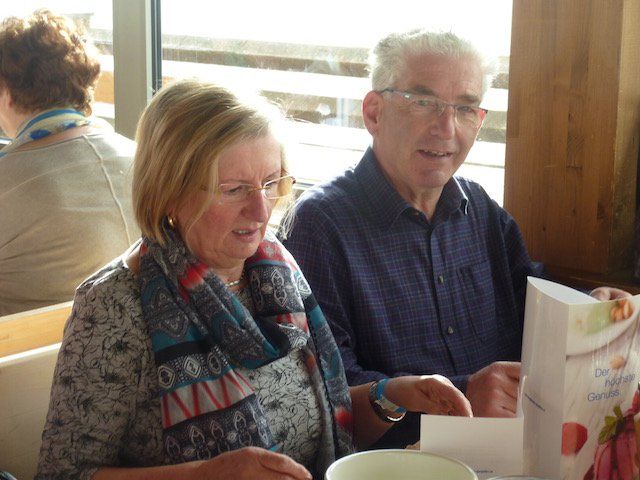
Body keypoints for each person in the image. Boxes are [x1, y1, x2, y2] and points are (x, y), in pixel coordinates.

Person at [36, 79, 472, 480]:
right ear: (168, 191)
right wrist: (203, 476)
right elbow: (61, 474)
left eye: (270, 182)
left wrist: (392, 395)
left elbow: (319, 418)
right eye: (233, 189)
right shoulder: (115, 304)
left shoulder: (276, 270)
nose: (261, 210)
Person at [281, 29, 628, 445]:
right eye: (423, 102)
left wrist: (591, 307)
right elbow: (325, 389)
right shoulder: (319, 224)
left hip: (514, 449)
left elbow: (532, 302)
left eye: (464, 108)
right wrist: (464, 393)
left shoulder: (479, 208)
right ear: (374, 113)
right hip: (402, 460)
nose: (446, 128)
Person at [0, 9, 137, 315]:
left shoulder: (5, 178)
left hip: (34, 346)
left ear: (6, 91)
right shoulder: (144, 157)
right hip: (141, 337)